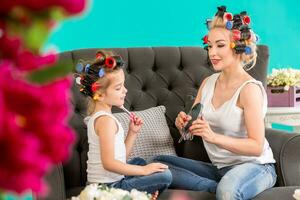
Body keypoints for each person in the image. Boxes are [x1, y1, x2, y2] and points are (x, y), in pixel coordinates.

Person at [152, 6, 277, 200]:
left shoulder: (249, 89)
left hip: (255, 167)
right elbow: (190, 130)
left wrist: (214, 137)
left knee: (227, 192)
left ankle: (224, 188)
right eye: (209, 46)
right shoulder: (208, 83)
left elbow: (256, 146)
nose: (212, 53)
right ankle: (216, 186)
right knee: (156, 164)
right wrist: (184, 124)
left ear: (237, 46)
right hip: (220, 169)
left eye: (219, 45)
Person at [75, 50, 172, 195]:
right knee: (165, 176)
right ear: (99, 95)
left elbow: (121, 159)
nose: (125, 91)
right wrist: (144, 171)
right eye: (118, 88)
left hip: (113, 180)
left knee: (138, 161)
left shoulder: (104, 117)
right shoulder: (105, 121)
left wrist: (132, 132)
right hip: (107, 188)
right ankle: (142, 194)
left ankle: (144, 192)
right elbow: (109, 163)